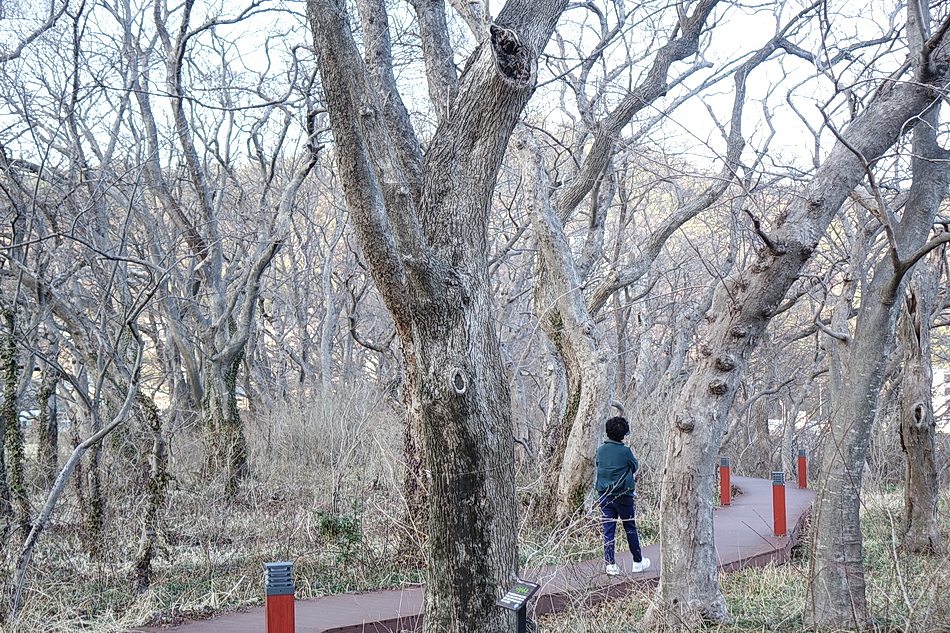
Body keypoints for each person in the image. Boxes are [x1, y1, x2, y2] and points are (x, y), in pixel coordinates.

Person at [595, 415, 650, 576]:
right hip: (624, 496)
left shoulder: (600, 450)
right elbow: (634, 466)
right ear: (623, 434)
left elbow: (599, 465)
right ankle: (638, 562)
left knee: (608, 530)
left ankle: (610, 565)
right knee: (630, 528)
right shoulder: (626, 451)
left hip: (605, 496)